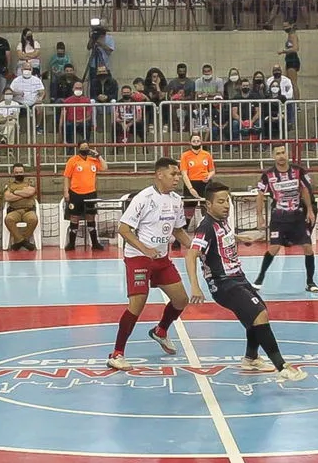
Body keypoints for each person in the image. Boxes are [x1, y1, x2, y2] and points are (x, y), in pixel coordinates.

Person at [185, 183, 309, 381]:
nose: (226, 205)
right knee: (258, 314)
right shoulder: (206, 227)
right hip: (223, 283)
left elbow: (223, 237)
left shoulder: (222, 221)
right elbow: (191, 254)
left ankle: (251, 358)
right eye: (221, 201)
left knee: (258, 313)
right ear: (208, 205)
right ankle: (282, 366)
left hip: (237, 278)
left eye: (228, 201)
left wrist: (239, 238)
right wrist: (195, 285)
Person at [107, 157, 192, 371]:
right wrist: (145, 249)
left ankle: (161, 331)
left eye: (178, 174)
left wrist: (197, 248)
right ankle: (117, 354)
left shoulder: (176, 200)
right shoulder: (143, 198)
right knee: (137, 305)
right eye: (173, 174)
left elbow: (178, 230)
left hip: (161, 259)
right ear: (159, 174)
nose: (177, 178)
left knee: (181, 300)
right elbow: (123, 229)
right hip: (139, 258)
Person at [254, 145, 318, 292]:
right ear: (273, 156)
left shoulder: (298, 171)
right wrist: (260, 216)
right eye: (277, 153)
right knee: (274, 247)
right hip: (279, 217)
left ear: (287, 154)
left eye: (283, 152)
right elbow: (259, 195)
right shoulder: (268, 175)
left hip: (297, 216)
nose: (281, 156)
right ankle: (259, 279)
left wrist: (310, 210)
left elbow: (304, 190)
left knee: (308, 248)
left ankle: (310, 282)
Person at [63, 141, 108, 250]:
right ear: (78, 149)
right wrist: (66, 191)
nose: (85, 149)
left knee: (91, 217)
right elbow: (66, 177)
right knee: (74, 217)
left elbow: (105, 167)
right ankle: (71, 244)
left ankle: (95, 243)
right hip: (75, 193)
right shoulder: (72, 160)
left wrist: (98, 156)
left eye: (87, 147)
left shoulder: (93, 160)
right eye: (83, 147)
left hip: (91, 193)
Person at [176, 133, 215, 250]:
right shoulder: (185, 155)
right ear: (190, 142)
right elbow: (183, 173)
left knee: (206, 212)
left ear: (201, 142)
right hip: (191, 184)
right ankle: (179, 240)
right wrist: (190, 188)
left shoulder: (206, 155)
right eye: (194, 141)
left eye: (198, 141)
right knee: (187, 213)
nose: (196, 143)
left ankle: (209, 238)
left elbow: (212, 170)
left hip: (205, 185)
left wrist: (209, 176)